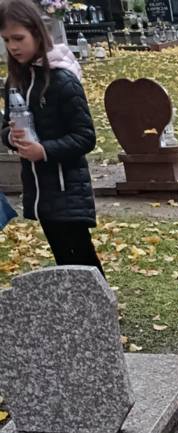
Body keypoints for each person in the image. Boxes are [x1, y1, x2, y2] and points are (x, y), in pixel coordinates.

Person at [0, 0, 102, 272]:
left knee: (82, 262)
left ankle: (99, 301)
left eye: (18, 38)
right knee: (64, 261)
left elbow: (85, 137)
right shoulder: (15, 82)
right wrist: (12, 138)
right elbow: (5, 128)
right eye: (7, 40)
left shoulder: (62, 80)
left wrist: (43, 150)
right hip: (40, 190)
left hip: (67, 188)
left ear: (36, 33)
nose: (13, 46)